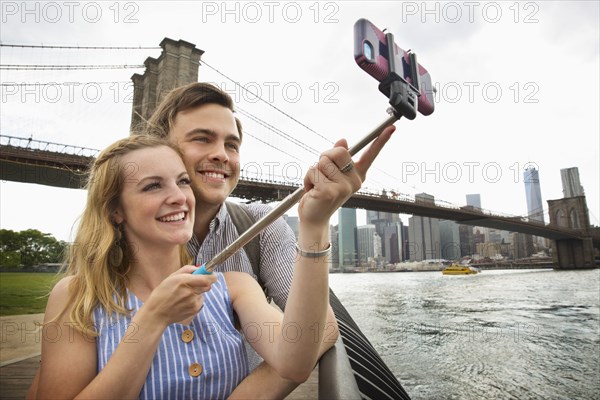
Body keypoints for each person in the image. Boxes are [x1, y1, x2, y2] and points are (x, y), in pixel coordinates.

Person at [33, 132, 374, 399]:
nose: (180, 196)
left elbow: (296, 362)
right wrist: (152, 320)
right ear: (115, 211)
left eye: (182, 181)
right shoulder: (77, 296)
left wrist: (315, 226)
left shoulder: (234, 285)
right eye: (153, 186)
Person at [143, 82, 395, 397]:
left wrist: (314, 225)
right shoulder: (118, 239)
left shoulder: (262, 225)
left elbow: (323, 329)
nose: (221, 155)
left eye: (232, 145)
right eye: (201, 138)